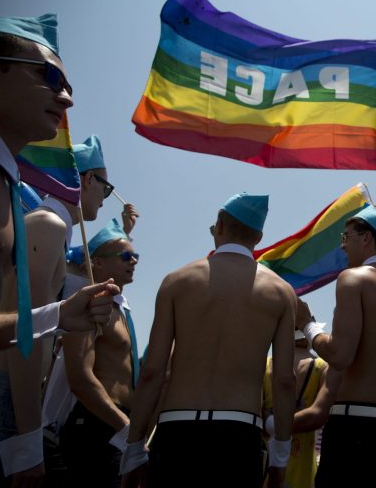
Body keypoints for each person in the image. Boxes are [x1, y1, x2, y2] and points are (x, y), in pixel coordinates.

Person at [0, 14, 119, 485]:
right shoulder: (46, 224)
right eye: (48, 76)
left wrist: (60, 314)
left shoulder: (11, 193)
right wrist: (26, 444)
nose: (65, 97)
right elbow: (21, 351)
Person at [121, 193, 296, 488]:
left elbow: (153, 371)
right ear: (259, 237)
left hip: (177, 430)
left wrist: (134, 448)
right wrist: (280, 456)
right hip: (240, 434)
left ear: (219, 226)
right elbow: (284, 381)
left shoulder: (177, 281)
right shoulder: (281, 292)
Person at [297, 205, 376, 488]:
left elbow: (340, 356)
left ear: (366, 238)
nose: (342, 245)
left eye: (346, 236)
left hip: (355, 428)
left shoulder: (353, 279)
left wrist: (308, 325)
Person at [49, 219, 139, 487]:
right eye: (126, 256)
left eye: (136, 255)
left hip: (116, 424)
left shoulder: (120, 310)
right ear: (97, 262)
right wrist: (124, 425)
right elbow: (79, 378)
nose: (134, 261)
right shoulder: (89, 306)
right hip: (96, 425)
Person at [263, 322, 329, 488]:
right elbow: (317, 416)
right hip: (303, 469)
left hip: (267, 464)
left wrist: (271, 424)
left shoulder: (265, 365)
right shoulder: (322, 367)